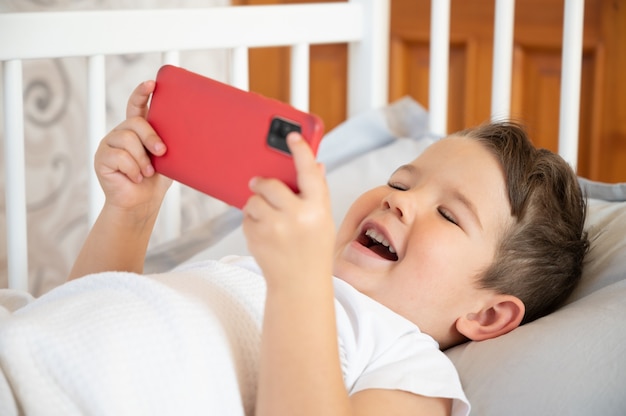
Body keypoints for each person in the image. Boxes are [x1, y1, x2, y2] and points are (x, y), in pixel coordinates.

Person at [23, 81, 589, 416]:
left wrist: (298, 284)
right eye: (399, 181)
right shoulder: (253, 269)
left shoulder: (408, 365)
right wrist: (132, 212)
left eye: (447, 214)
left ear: (487, 314)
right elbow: (86, 305)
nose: (400, 202)